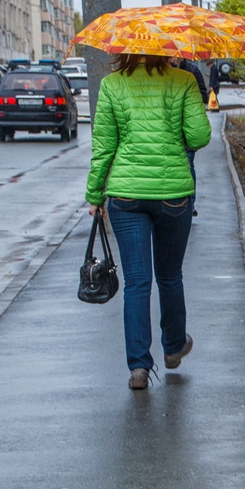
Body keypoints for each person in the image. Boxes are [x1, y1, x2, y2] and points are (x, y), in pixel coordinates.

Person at [86, 53, 212, 390]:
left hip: (126, 196)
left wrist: (95, 195)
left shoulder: (111, 85)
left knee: (137, 282)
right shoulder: (183, 80)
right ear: (165, 48)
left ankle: (139, 368)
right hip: (173, 193)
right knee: (169, 275)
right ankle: (173, 347)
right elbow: (199, 137)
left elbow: (103, 147)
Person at [172, 57, 207, 216]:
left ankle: (189, 203)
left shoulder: (192, 71)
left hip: (185, 129)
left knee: (188, 164)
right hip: (171, 130)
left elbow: (203, 97)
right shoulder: (162, 73)